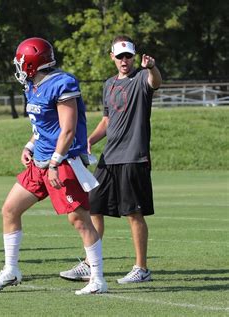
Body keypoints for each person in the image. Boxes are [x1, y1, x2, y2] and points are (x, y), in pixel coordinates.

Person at [0, 37, 107, 295]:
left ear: (32, 63)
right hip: (40, 161)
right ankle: (11, 269)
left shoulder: (62, 83)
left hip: (62, 162)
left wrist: (55, 162)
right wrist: (29, 146)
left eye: (21, 62)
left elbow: (68, 129)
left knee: (79, 219)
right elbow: (43, 127)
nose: (18, 67)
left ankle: (97, 278)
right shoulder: (32, 86)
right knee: (10, 209)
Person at [60, 35, 162, 284]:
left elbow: (155, 82)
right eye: (120, 56)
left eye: (128, 56)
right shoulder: (109, 84)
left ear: (134, 57)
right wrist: (91, 140)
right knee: (93, 205)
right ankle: (89, 263)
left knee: (133, 213)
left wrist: (152, 67)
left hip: (134, 157)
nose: (124, 60)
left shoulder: (140, 78)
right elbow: (107, 121)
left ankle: (142, 268)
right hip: (110, 157)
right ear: (112, 58)